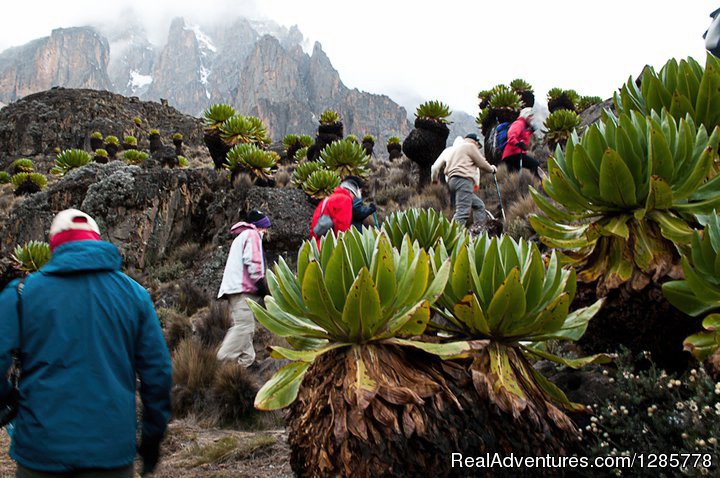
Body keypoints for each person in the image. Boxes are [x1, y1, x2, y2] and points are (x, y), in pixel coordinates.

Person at [0, 209, 172, 477]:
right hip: (111, 453)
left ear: (53, 245)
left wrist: (7, 400)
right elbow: (158, 373)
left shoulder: (21, 293)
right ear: (97, 240)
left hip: (40, 452)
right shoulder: (135, 295)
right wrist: (152, 437)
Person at [217, 210, 271, 368]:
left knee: (243, 327)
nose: (266, 231)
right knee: (245, 327)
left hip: (234, 289)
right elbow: (252, 260)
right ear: (258, 226)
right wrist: (260, 283)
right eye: (264, 227)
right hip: (242, 289)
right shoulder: (252, 235)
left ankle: (245, 363)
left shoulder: (241, 237)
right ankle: (221, 359)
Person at [434, 133, 496, 228]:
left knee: (479, 205)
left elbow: (445, 169)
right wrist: (492, 169)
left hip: (452, 181)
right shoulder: (470, 146)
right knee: (462, 212)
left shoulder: (455, 149)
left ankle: (478, 229)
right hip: (463, 181)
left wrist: (434, 179)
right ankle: (454, 236)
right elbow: (482, 163)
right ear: (475, 141)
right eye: (478, 146)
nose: (478, 148)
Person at [309, 176, 364, 245]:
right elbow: (342, 227)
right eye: (354, 196)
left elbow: (314, 224)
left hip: (317, 244)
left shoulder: (329, 198)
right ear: (351, 192)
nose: (353, 199)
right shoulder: (345, 199)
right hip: (330, 247)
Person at [502, 107, 541, 176]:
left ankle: (514, 185)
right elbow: (511, 135)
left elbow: (523, 136)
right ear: (526, 116)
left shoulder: (524, 125)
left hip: (511, 155)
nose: (532, 118)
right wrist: (517, 143)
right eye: (530, 116)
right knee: (535, 165)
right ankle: (539, 183)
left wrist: (530, 131)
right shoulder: (519, 123)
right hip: (514, 154)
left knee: (514, 175)